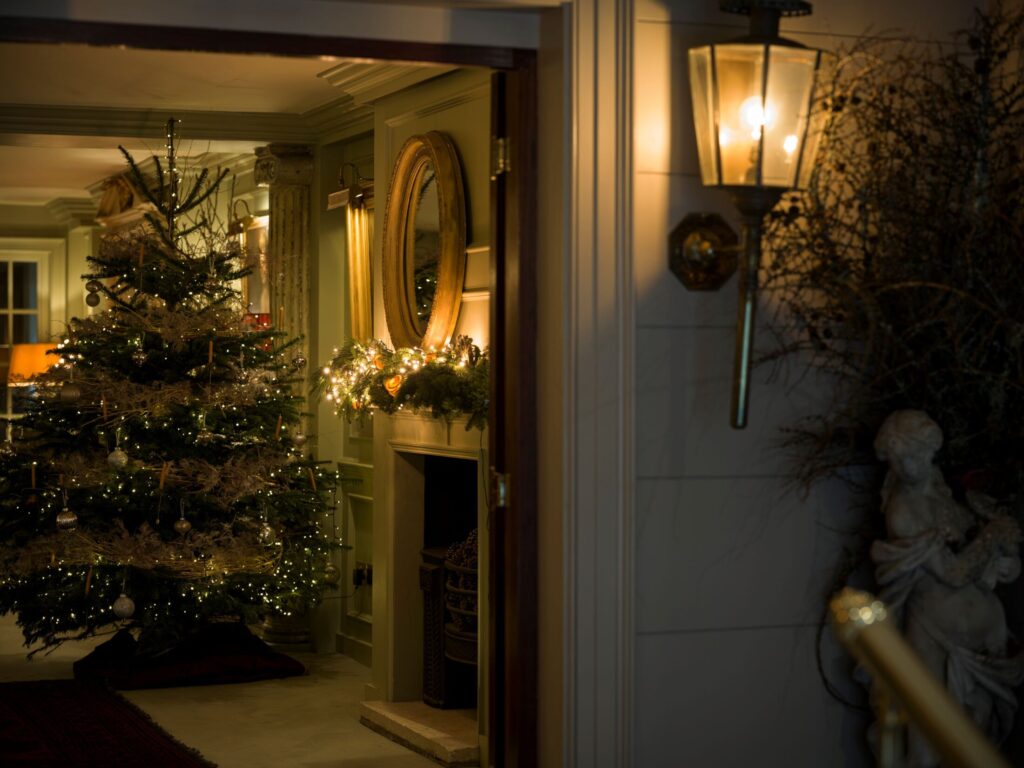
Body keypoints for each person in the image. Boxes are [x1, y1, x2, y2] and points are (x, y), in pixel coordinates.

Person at [871, 410, 1023, 767]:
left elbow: (977, 561)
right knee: (929, 734)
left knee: (977, 732)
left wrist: (1002, 561)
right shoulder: (902, 510)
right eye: (897, 459)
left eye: (911, 455)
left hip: (982, 643)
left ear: (928, 451)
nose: (906, 466)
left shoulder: (947, 500)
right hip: (934, 636)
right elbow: (953, 572)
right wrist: (991, 537)